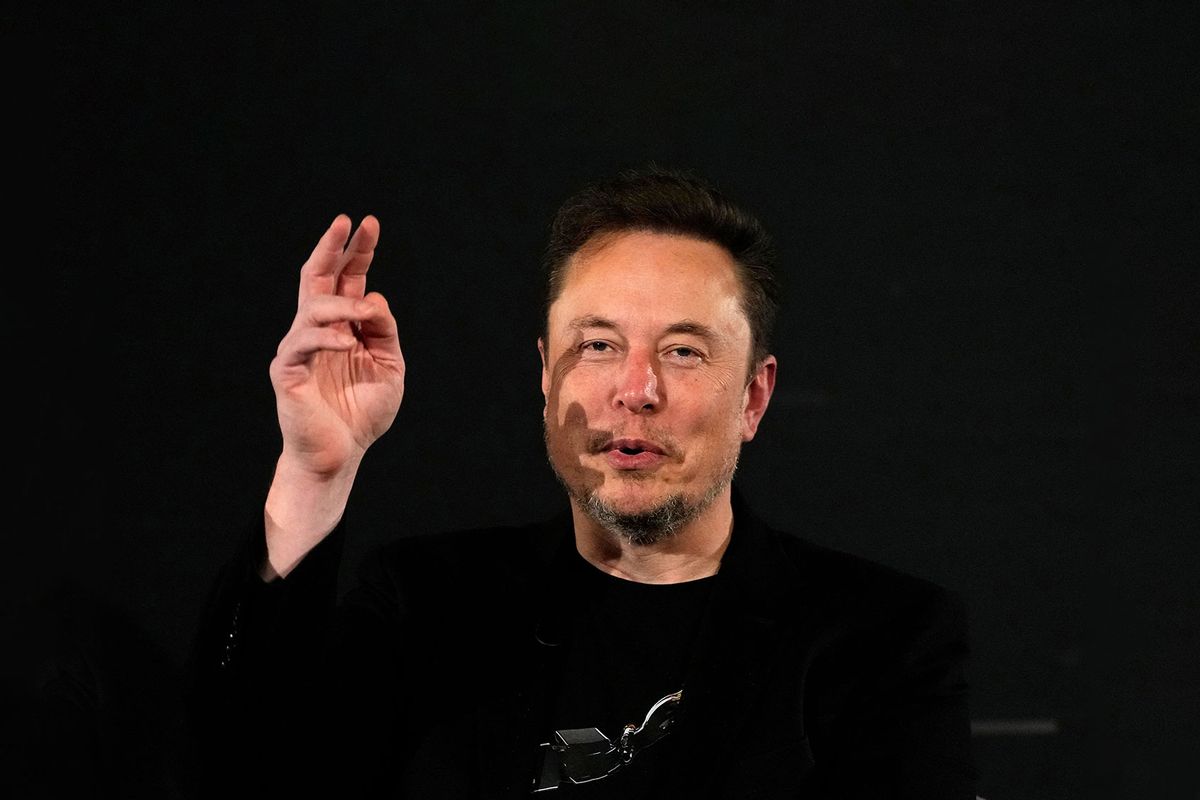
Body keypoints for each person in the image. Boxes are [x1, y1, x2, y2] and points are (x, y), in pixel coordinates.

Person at [186, 165, 978, 798]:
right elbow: (241, 774)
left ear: (754, 397)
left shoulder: (880, 640)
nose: (636, 390)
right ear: (544, 373)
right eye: (598, 345)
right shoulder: (427, 605)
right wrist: (314, 472)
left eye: (684, 352)